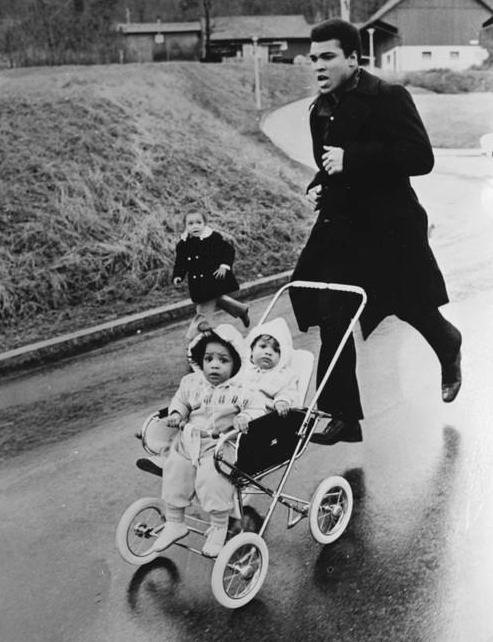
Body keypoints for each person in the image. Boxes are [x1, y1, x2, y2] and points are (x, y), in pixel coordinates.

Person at [290, 18, 462, 446]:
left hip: (388, 228)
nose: (318, 66)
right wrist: (321, 185)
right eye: (314, 58)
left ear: (353, 58)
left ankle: (448, 343)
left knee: (410, 305)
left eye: (328, 56)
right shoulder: (319, 109)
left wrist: (353, 159)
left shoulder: (388, 97)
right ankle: (344, 415)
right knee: (332, 315)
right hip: (342, 231)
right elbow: (330, 165)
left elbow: (420, 157)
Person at [150, 324, 264, 558]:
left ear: (235, 365)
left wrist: (244, 417)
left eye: (223, 360)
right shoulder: (192, 383)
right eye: (208, 359)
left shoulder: (241, 389)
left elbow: (257, 407)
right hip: (189, 441)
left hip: (219, 444)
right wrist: (177, 413)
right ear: (200, 361)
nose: (214, 365)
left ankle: (219, 527)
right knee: (175, 471)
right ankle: (175, 521)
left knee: (213, 479)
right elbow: (181, 401)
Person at [173, 210, 250, 340]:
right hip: (198, 285)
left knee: (202, 315)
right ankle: (241, 310)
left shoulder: (213, 238)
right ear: (185, 226)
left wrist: (224, 266)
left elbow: (228, 250)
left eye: (199, 222)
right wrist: (178, 275)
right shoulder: (183, 244)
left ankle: (193, 339)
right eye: (190, 223)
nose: (195, 226)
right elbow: (180, 262)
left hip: (213, 280)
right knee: (216, 298)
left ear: (205, 224)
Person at [242, 317, 299, 416]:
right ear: (251, 351)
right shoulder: (243, 369)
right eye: (263, 346)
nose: (268, 352)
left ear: (282, 357)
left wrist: (281, 401)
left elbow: (287, 390)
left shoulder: (281, 375)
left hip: (261, 410)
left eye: (275, 350)